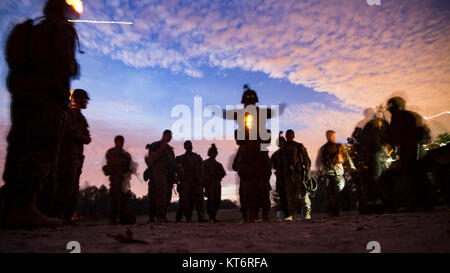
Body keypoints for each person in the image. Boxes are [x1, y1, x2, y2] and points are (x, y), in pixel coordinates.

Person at [1, 0, 82, 229]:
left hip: (23, 95)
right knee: (40, 146)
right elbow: (66, 66)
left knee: (18, 145)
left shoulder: (33, 28)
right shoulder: (61, 29)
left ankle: (11, 207)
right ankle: (24, 207)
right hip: (47, 97)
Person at [52, 89, 91, 225]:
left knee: (73, 188)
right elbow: (67, 131)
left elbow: (87, 138)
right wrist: (79, 135)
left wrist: (80, 135)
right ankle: (57, 215)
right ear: (78, 99)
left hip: (77, 156)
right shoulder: (68, 114)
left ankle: (67, 217)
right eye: (85, 99)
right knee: (65, 185)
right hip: (67, 155)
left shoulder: (81, 118)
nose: (87, 102)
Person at [387, 97, 432, 210]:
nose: (390, 109)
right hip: (407, 147)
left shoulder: (402, 117)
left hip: (409, 147)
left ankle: (420, 202)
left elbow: (401, 133)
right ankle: (421, 202)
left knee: (413, 174)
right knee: (413, 174)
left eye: (392, 106)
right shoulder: (401, 116)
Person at [317, 130, 356, 217]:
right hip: (329, 173)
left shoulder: (340, 147)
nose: (332, 137)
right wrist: (320, 171)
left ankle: (335, 210)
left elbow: (347, 157)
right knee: (330, 194)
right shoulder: (324, 148)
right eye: (331, 136)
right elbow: (320, 161)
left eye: (332, 136)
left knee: (338, 192)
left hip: (338, 172)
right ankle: (332, 212)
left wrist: (352, 167)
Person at [146, 130, 176, 223]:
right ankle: (153, 217)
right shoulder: (155, 145)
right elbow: (150, 159)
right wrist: (162, 149)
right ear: (164, 135)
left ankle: (162, 215)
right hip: (157, 173)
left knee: (166, 195)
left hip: (167, 174)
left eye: (171, 136)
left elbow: (172, 163)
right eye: (169, 136)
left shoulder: (169, 149)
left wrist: (174, 174)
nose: (170, 138)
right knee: (154, 195)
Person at [103, 136, 135, 225]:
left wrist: (128, 172)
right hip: (115, 179)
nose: (121, 143)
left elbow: (130, 166)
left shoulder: (126, 154)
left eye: (122, 141)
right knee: (114, 200)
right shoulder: (111, 152)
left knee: (124, 200)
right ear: (115, 142)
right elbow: (110, 164)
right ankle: (112, 219)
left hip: (124, 180)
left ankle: (122, 218)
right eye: (119, 141)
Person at [283, 129, 312, 220]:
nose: (289, 136)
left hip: (298, 172)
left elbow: (307, 160)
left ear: (293, 136)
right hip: (287, 174)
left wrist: (307, 172)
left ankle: (307, 213)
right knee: (290, 195)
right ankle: (292, 214)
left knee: (302, 193)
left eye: (290, 134)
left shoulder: (299, 146)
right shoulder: (283, 148)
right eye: (287, 135)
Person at [175, 141, 207, 223]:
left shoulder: (197, 157)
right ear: (185, 147)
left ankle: (201, 216)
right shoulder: (181, 158)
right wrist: (178, 176)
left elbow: (201, 169)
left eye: (190, 145)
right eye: (187, 145)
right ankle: (185, 217)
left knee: (200, 199)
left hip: (196, 181)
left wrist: (202, 180)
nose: (189, 147)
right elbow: (175, 167)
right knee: (184, 200)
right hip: (185, 181)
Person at [203, 144, 226, 223]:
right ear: (209, 153)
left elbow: (223, 173)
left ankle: (214, 216)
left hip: (216, 184)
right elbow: (202, 173)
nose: (214, 154)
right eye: (212, 152)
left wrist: (217, 175)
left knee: (217, 200)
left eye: (215, 153)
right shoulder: (205, 163)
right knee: (211, 200)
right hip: (209, 184)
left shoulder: (218, 164)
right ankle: (211, 217)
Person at [270, 136, 289, 218]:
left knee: (290, 196)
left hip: (289, 177)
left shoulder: (289, 153)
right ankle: (287, 214)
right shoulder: (275, 155)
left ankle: (291, 214)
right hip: (280, 177)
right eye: (279, 142)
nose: (280, 144)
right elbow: (271, 165)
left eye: (282, 142)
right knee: (283, 197)